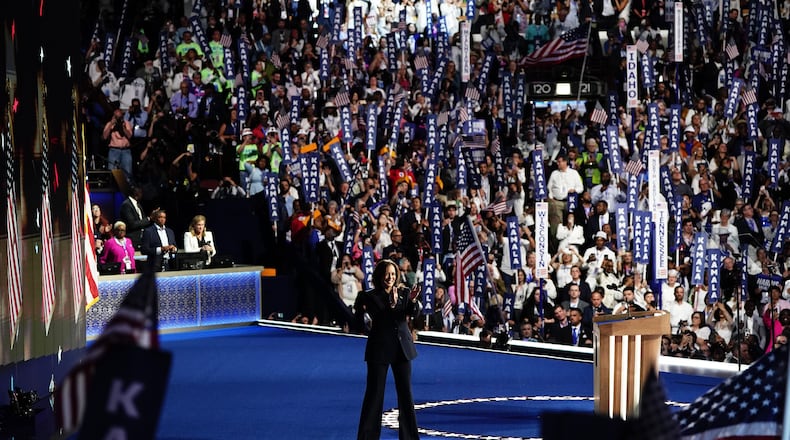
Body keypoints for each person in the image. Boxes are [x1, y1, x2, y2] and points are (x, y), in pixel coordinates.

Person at [355, 259, 421, 440]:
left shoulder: (404, 293)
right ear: (379, 276)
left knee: (406, 396)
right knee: (374, 396)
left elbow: (412, 314)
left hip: (402, 349)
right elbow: (376, 317)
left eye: (393, 274)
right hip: (380, 349)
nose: (390, 278)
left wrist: (413, 301)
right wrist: (391, 305)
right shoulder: (369, 296)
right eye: (387, 274)